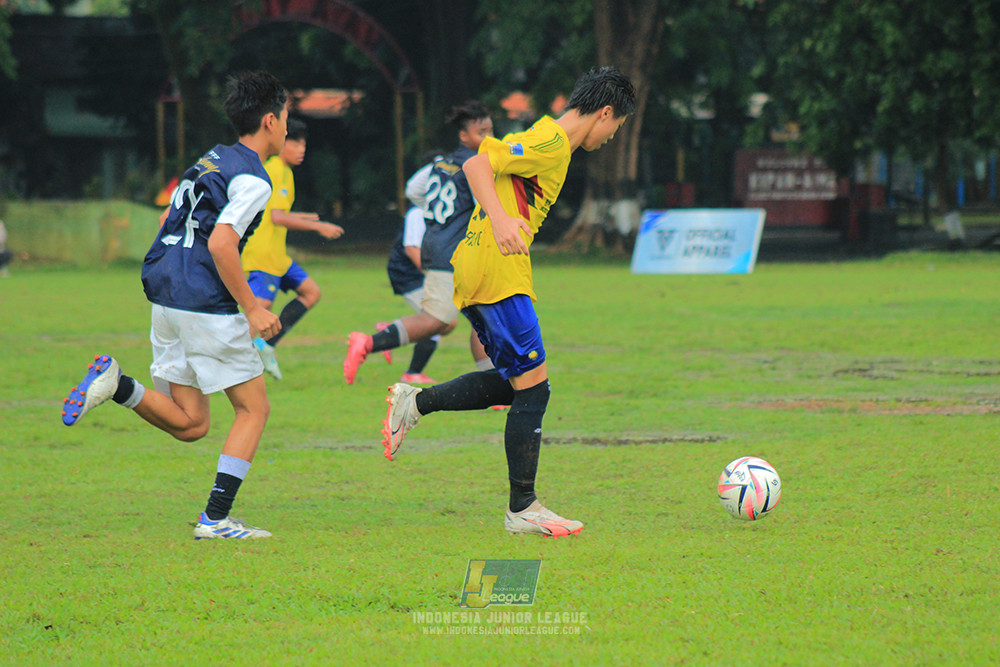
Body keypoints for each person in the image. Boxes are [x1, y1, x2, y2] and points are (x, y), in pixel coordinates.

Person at [380, 67, 636, 537]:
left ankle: (416, 402)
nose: (612, 137)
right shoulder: (553, 142)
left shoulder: (546, 136)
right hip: (497, 270)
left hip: (482, 269)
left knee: (521, 384)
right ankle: (523, 507)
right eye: (616, 127)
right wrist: (500, 220)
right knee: (534, 388)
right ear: (604, 113)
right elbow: (478, 163)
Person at [60, 70, 288, 540]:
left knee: (192, 424)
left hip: (167, 295)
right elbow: (223, 244)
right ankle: (216, 519)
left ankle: (117, 385)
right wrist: (253, 308)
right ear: (270, 120)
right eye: (286, 118)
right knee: (254, 410)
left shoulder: (211, 159)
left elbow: (170, 216)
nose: (287, 127)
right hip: (203, 300)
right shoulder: (255, 179)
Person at [343, 101, 495, 385]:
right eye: (481, 132)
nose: (488, 137)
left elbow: (413, 189)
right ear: (464, 136)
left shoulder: (440, 165)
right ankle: (367, 343)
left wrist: (439, 211)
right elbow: (485, 209)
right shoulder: (476, 165)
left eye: (490, 130)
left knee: (483, 316)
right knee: (435, 322)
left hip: (446, 249)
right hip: (453, 254)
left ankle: (492, 386)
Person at [242, 117, 344, 380]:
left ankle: (266, 346)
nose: (301, 150)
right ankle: (229, 368)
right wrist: (318, 227)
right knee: (255, 316)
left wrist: (304, 218)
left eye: (304, 146)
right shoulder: (276, 169)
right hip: (264, 255)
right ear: (281, 142)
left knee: (311, 292)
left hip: (277, 256)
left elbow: (275, 212)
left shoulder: (284, 171)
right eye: (295, 144)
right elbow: (277, 218)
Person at [383, 152, 453, 384]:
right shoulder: (417, 212)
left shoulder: (438, 210)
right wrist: (433, 275)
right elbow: (412, 249)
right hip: (408, 275)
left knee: (440, 322)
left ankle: (389, 333)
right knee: (440, 321)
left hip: (419, 274)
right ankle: (407, 367)